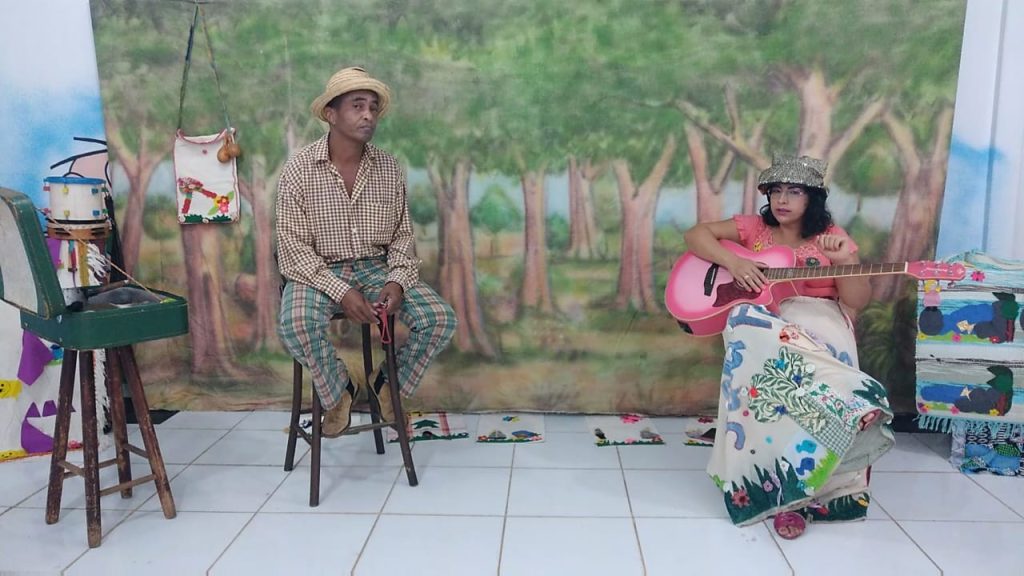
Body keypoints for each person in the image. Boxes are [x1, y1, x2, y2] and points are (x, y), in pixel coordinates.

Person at [683, 154, 895, 535]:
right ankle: (779, 489)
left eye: (794, 192)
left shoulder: (832, 236)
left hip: (819, 316)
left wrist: (843, 260)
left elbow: (857, 300)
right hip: (764, 321)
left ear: (812, 198)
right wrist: (734, 263)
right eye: (776, 191)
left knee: (795, 341)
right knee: (744, 321)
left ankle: (814, 488)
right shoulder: (754, 228)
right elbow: (695, 235)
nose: (782, 199)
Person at [276, 66, 456, 437]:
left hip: (377, 267)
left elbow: (402, 236)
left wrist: (397, 281)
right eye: (357, 106)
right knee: (296, 324)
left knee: (439, 319)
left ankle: (386, 383)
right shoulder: (299, 168)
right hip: (317, 271)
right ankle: (341, 390)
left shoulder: (388, 167)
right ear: (331, 114)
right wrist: (342, 291)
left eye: (373, 107)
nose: (368, 115)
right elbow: (293, 248)